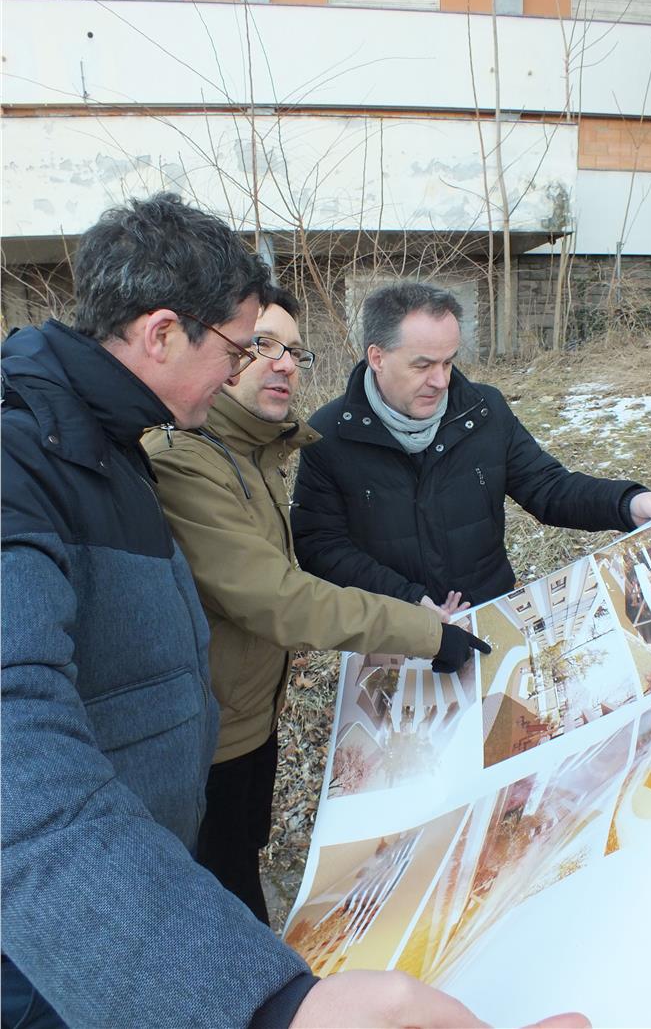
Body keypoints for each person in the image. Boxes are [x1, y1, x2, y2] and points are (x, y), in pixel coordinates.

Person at [3, 197, 535, 1029]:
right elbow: (22, 779)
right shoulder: (29, 457)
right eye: (238, 348)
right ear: (163, 334)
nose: (246, 370)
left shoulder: (108, 441)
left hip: (147, 848)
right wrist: (264, 1005)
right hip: (70, 938)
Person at [141, 285, 488, 926]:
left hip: (250, 714)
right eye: (260, 345)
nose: (283, 364)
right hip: (203, 736)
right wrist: (420, 629)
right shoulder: (186, 458)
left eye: (294, 351)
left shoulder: (254, 450)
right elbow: (274, 596)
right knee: (219, 902)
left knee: (241, 860)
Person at [292, 281, 651, 607]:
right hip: (391, 629)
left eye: (448, 362)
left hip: (489, 613)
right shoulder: (329, 433)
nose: (440, 381)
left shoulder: (483, 411)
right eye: (423, 365)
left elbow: (549, 488)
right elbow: (320, 546)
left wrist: (626, 503)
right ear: (377, 357)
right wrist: (409, 602)